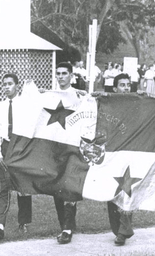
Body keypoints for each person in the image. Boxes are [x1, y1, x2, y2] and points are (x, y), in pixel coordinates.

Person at [0, 73, 32, 240]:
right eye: (4, 84)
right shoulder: (0, 106)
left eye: (10, 84)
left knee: (23, 188)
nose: (6, 87)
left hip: (21, 147)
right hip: (6, 148)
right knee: (5, 187)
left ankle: (24, 222)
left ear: (17, 85)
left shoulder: (26, 104)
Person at [52, 62, 87, 244]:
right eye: (58, 73)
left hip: (73, 147)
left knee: (70, 187)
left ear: (71, 75)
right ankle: (65, 225)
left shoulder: (79, 96)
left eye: (64, 73)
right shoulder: (51, 96)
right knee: (57, 188)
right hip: (56, 147)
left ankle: (66, 228)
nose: (60, 77)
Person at [108, 73, 135, 245]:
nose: (125, 88)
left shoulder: (137, 104)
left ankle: (123, 231)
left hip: (132, 153)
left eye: (127, 85)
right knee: (111, 191)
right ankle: (117, 228)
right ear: (115, 88)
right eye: (122, 85)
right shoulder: (108, 104)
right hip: (112, 153)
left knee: (127, 190)